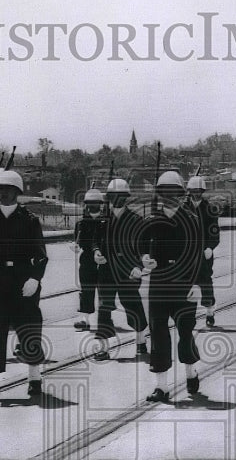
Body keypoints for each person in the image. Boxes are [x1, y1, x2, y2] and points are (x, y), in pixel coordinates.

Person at [0, 170, 48, 400]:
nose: (3, 193)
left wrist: (35, 278)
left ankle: (34, 377)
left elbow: (41, 255)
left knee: (28, 329)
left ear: (17, 192)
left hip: (22, 280)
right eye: (0, 189)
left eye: (8, 190)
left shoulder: (29, 220)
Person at [139, 171, 205, 401]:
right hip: (158, 282)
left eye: (173, 193)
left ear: (180, 194)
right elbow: (141, 244)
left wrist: (198, 284)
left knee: (185, 330)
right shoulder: (151, 218)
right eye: (164, 193)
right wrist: (145, 258)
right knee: (157, 332)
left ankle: (191, 370)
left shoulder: (191, 219)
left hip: (184, 283)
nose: (169, 197)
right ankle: (161, 386)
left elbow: (198, 254)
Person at [93, 178, 149, 361]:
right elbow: (94, 241)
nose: (117, 200)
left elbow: (143, 247)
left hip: (128, 271)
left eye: (121, 196)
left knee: (132, 306)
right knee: (104, 308)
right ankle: (103, 348)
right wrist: (96, 252)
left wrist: (139, 266)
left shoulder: (136, 220)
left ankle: (141, 342)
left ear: (126, 198)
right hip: (106, 271)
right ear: (108, 197)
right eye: (113, 196)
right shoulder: (101, 220)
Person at [186, 175, 220, 328]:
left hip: (204, 251)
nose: (196, 193)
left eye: (199, 190)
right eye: (193, 190)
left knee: (205, 282)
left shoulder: (210, 209)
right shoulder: (183, 207)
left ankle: (209, 311)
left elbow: (214, 232)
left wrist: (210, 247)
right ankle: (189, 314)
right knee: (188, 282)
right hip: (187, 253)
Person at [72, 188, 105, 332]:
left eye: (94, 202)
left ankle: (104, 320)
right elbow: (77, 240)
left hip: (103, 259)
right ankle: (85, 319)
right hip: (86, 260)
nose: (91, 205)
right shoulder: (81, 223)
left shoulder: (106, 221)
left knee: (104, 291)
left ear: (100, 203)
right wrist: (75, 246)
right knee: (86, 290)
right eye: (89, 203)